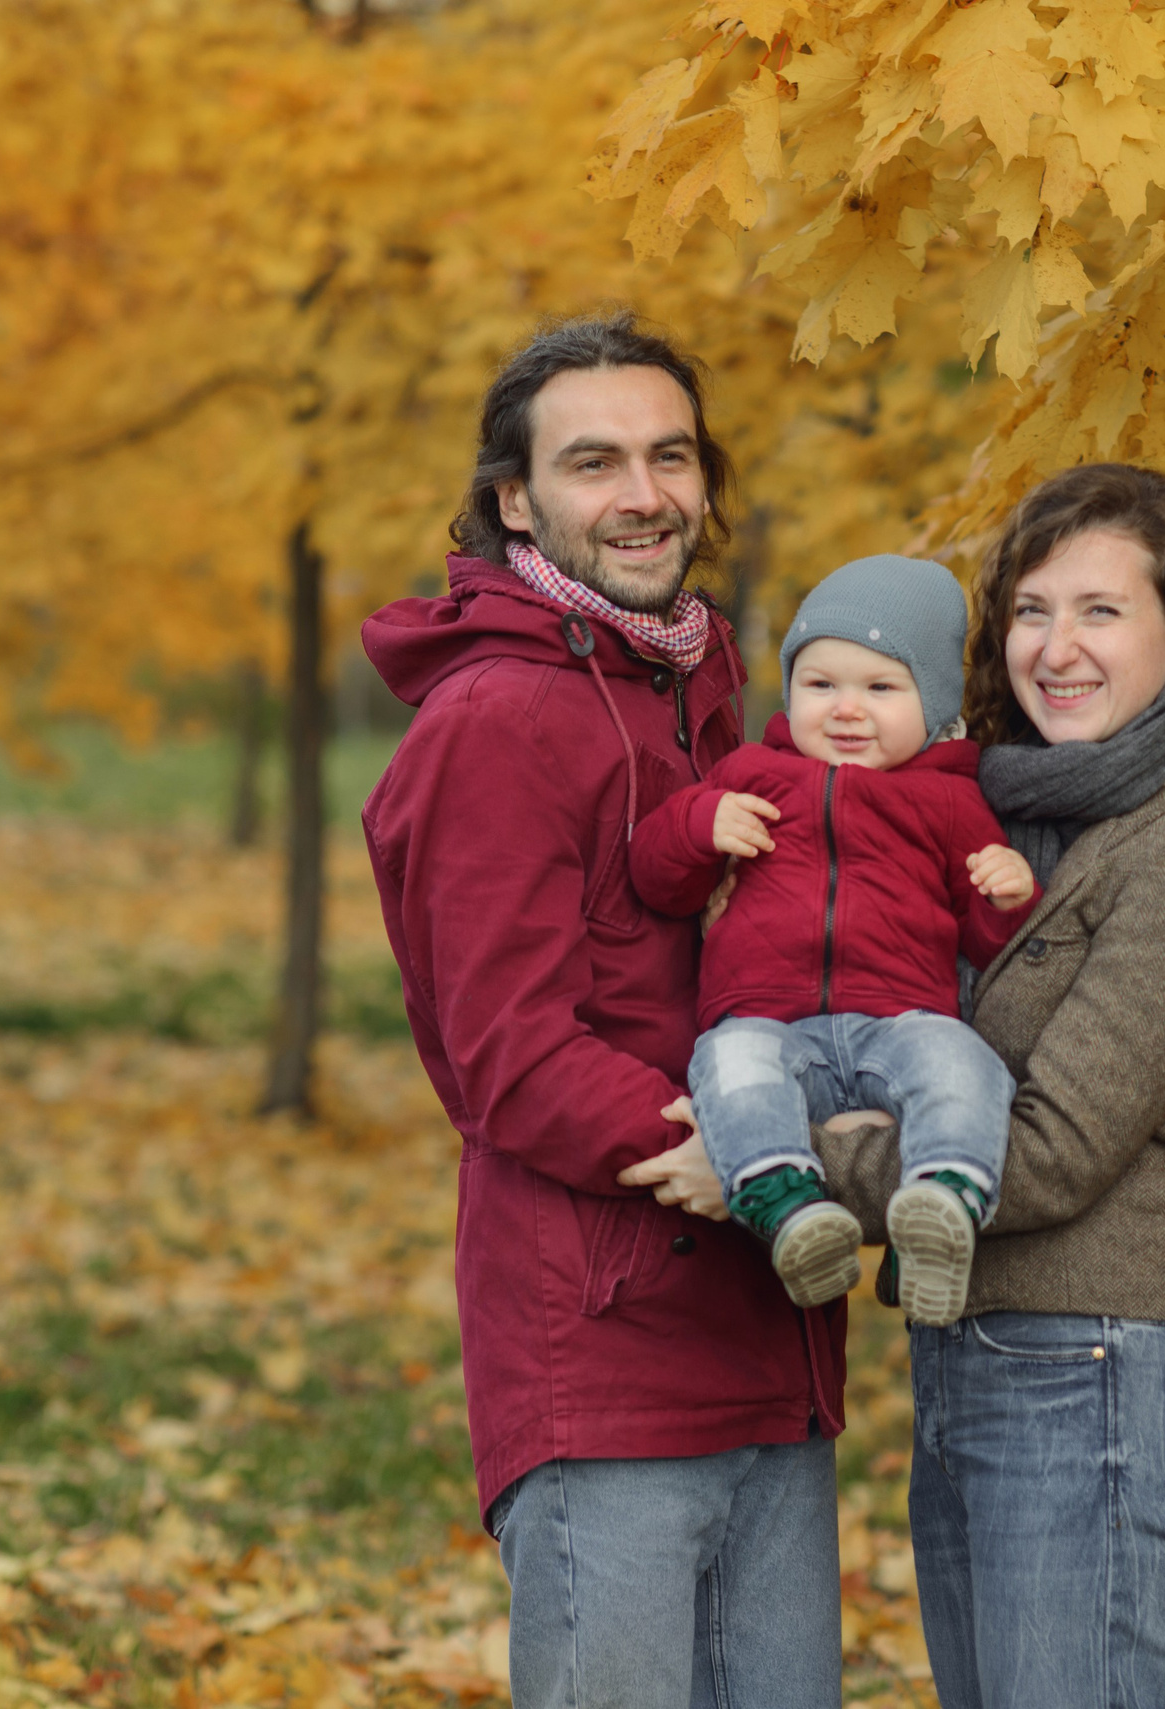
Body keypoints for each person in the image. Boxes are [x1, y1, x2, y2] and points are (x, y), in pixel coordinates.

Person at [358, 312, 846, 1709]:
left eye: (669, 455)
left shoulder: (701, 686)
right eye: (594, 462)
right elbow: (505, 1056)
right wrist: (736, 1150)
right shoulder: (500, 719)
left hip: (773, 1340)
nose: (643, 494)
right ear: (518, 498)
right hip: (606, 1353)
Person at [810, 462, 1165, 1707]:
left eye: (1101, 612)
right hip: (982, 1356)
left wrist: (793, 1158)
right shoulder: (1026, 826)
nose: (1056, 647)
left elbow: (1046, 1148)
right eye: (1031, 610)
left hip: (1097, 1371)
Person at [629, 555, 1040, 1326]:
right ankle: (791, 1210)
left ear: (935, 703)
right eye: (821, 685)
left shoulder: (951, 801)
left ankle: (944, 1200)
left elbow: (989, 946)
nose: (847, 708)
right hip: (768, 1020)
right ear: (790, 692)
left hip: (900, 1023)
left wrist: (1007, 893)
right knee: (729, 1062)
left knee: (964, 1063)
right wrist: (696, 827)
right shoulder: (753, 774)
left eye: (881, 688)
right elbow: (658, 880)